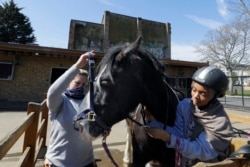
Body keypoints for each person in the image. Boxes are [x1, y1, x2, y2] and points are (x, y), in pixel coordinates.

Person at [145, 66, 234, 167]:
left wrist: (167, 137)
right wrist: (154, 123)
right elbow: (179, 133)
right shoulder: (185, 106)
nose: (195, 95)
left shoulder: (219, 123)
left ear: (215, 96)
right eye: (194, 89)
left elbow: (198, 150)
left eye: (203, 93)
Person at [44, 52, 97, 167]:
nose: (80, 86)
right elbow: (52, 93)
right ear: (68, 83)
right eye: (77, 83)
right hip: (58, 163)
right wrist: (77, 66)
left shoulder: (88, 103)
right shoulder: (60, 101)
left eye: (83, 84)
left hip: (87, 162)